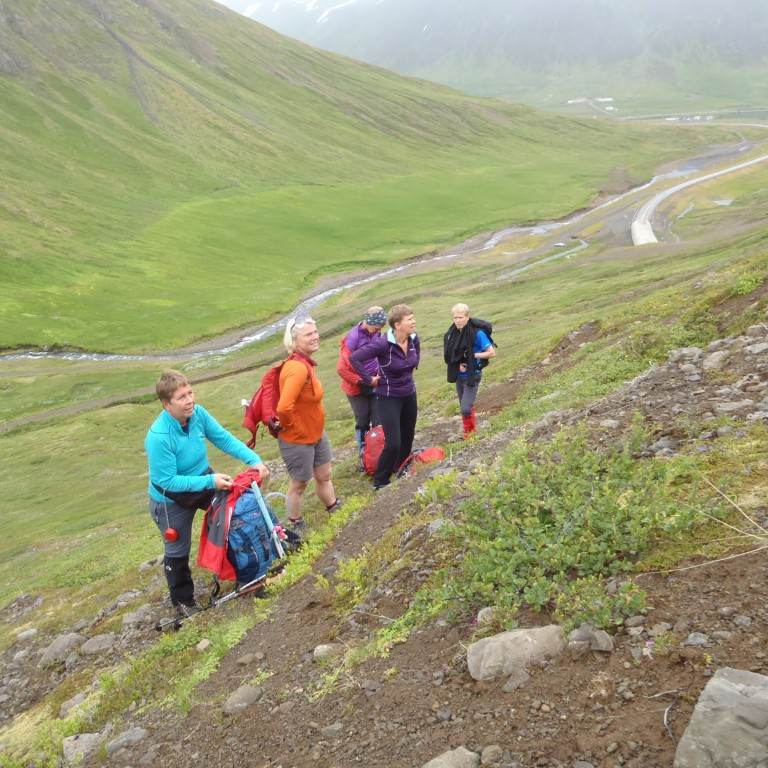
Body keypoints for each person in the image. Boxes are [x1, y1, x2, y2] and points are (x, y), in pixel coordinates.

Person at [146, 369, 269, 617]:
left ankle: (247, 577)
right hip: (170, 499)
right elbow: (169, 482)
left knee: (233, 519)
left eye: (190, 393)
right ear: (166, 404)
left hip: (203, 479)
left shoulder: (198, 414)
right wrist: (211, 481)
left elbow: (223, 438)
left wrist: (255, 461)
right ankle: (183, 603)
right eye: (181, 397)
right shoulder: (158, 436)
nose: (190, 400)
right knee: (177, 551)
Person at [276, 315, 341, 531]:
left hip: (315, 433)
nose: (315, 337)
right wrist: (289, 426)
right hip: (298, 438)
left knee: (324, 475)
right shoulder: (297, 368)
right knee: (300, 484)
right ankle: (295, 524)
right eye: (308, 334)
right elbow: (284, 408)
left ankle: (334, 509)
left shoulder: (305, 363)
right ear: (295, 341)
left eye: (315, 332)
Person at [350, 304, 420, 490]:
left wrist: (415, 364)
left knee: (408, 436)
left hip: (409, 394)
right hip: (389, 397)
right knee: (394, 442)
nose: (414, 322)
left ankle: (400, 469)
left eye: (413, 317)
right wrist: (369, 380)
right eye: (409, 319)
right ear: (397, 325)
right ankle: (380, 482)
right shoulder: (382, 343)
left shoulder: (413, 338)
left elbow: (416, 354)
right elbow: (355, 358)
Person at [336, 306, 387, 469]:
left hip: (375, 381)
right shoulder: (353, 338)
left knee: (378, 419)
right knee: (363, 420)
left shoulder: (375, 331)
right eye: (375, 328)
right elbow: (342, 368)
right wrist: (363, 380)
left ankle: (379, 452)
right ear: (368, 322)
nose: (376, 332)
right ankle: (364, 456)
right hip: (356, 388)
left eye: (379, 329)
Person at [443, 303, 496, 439]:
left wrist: (473, 356)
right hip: (459, 376)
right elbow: (451, 355)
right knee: (464, 407)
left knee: (465, 408)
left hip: (473, 375)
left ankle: (470, 433)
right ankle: (469, 434)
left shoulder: (478, 334)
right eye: (455, 318)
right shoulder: (452, 334)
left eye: (460, 317)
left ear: (467, 317)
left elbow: (491, 353)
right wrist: (458, 365)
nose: (457, 321)